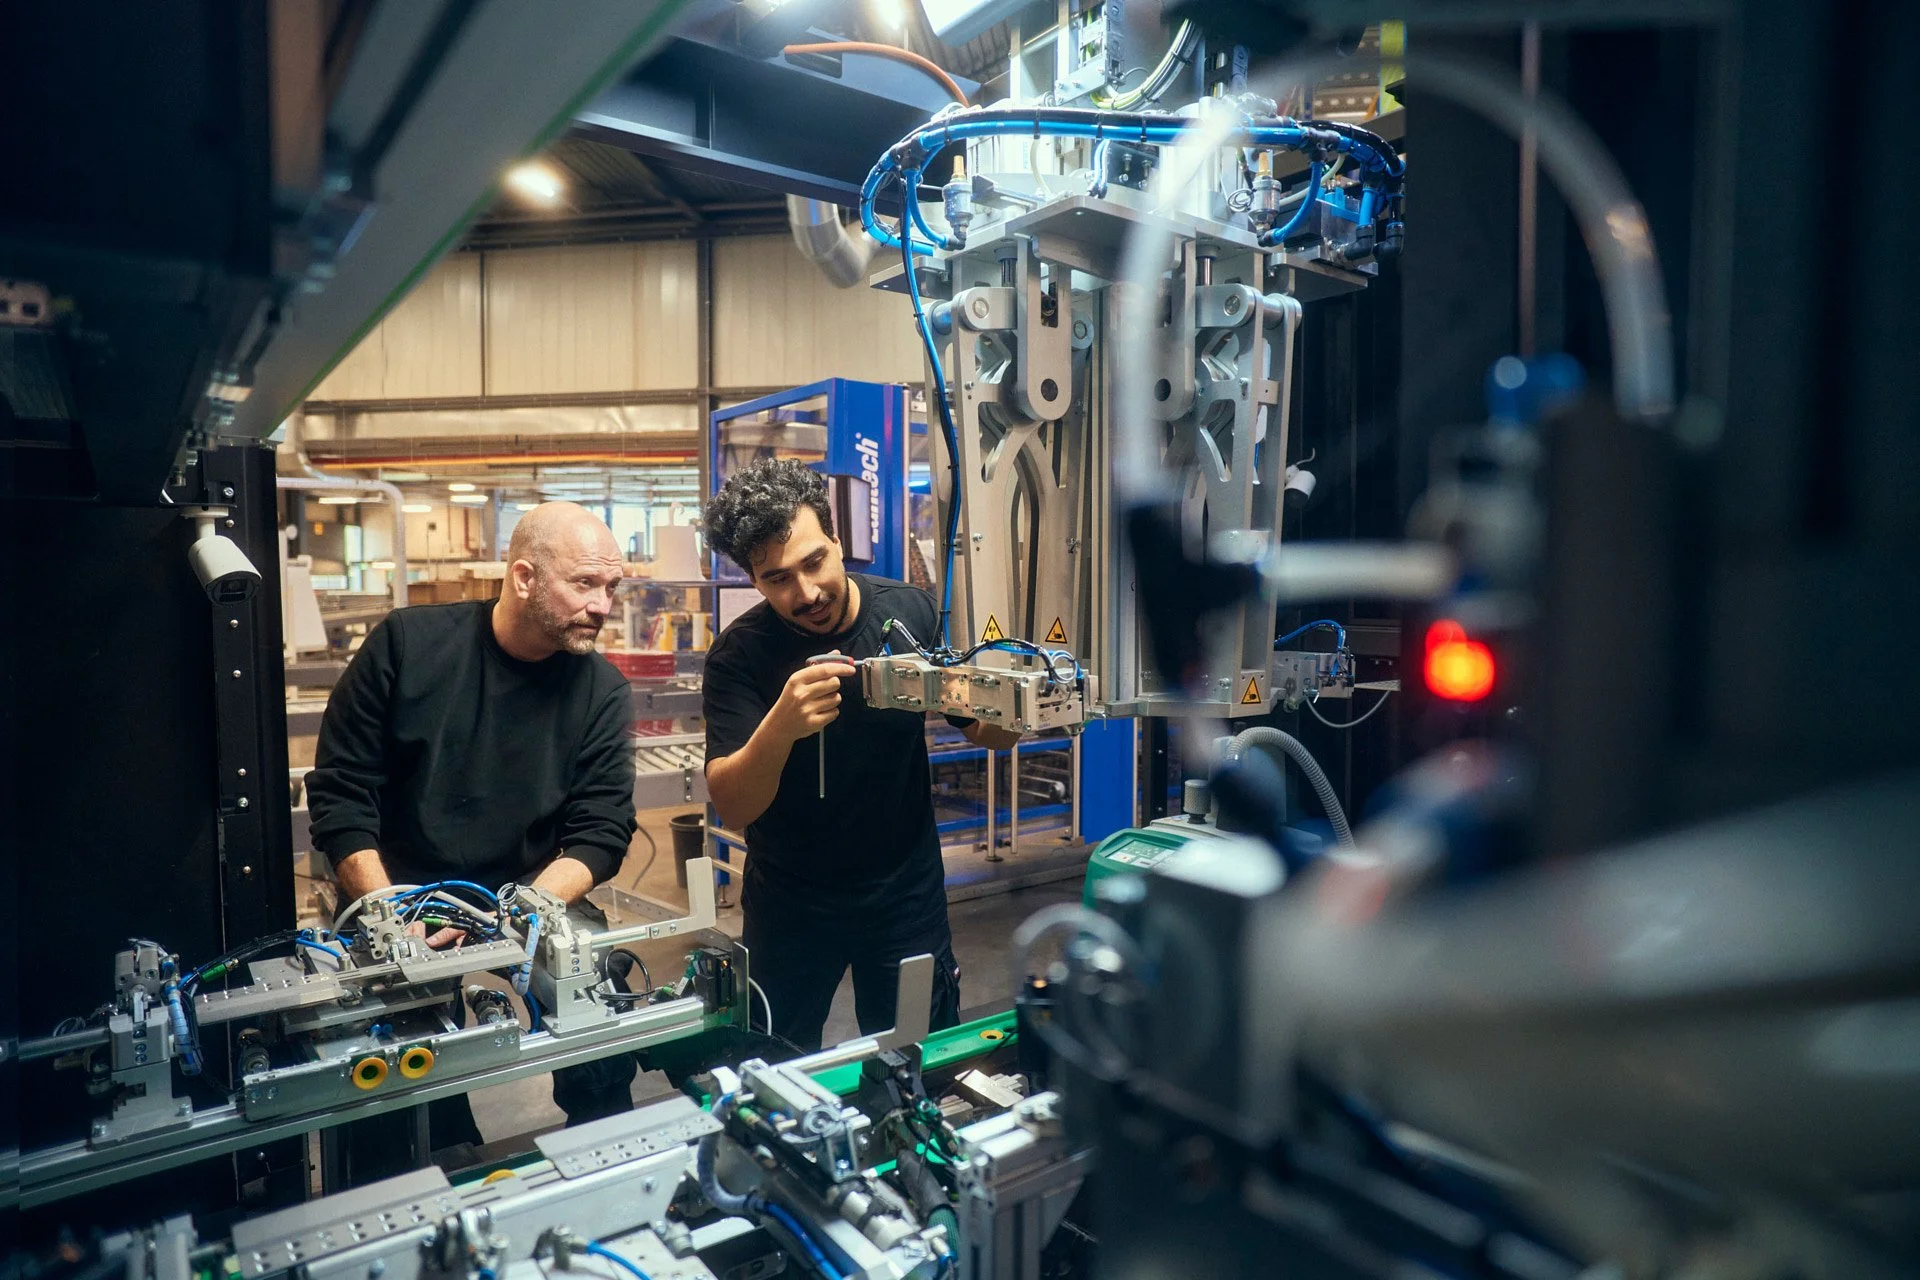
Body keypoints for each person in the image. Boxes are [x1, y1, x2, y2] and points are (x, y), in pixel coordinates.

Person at [307, 501, 640, 1168]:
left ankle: (608, 1159)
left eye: (613, 587)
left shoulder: (601, 690)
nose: (604, 605)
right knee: (398, 1058)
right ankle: (438, 1173)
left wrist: (511, 912)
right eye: (585, 584)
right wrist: (386, 913)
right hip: (399, 895)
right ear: (523, 577)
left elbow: (601, 831)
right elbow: (343, 797)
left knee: (596, 991)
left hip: (531, 891)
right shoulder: (407, 646)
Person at [701, 459, 1019, 1052]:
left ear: (838, 540)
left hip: (903, 895)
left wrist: (1018, 704)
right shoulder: (738, 657)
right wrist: (780, 728)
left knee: (917, 1060)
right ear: (754, 580)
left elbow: (983, 730)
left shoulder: (910, 613)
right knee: (776, 1068)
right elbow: (733, 804)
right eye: (777, 579)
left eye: (815, 561)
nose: (807, 592)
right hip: (790, 904)